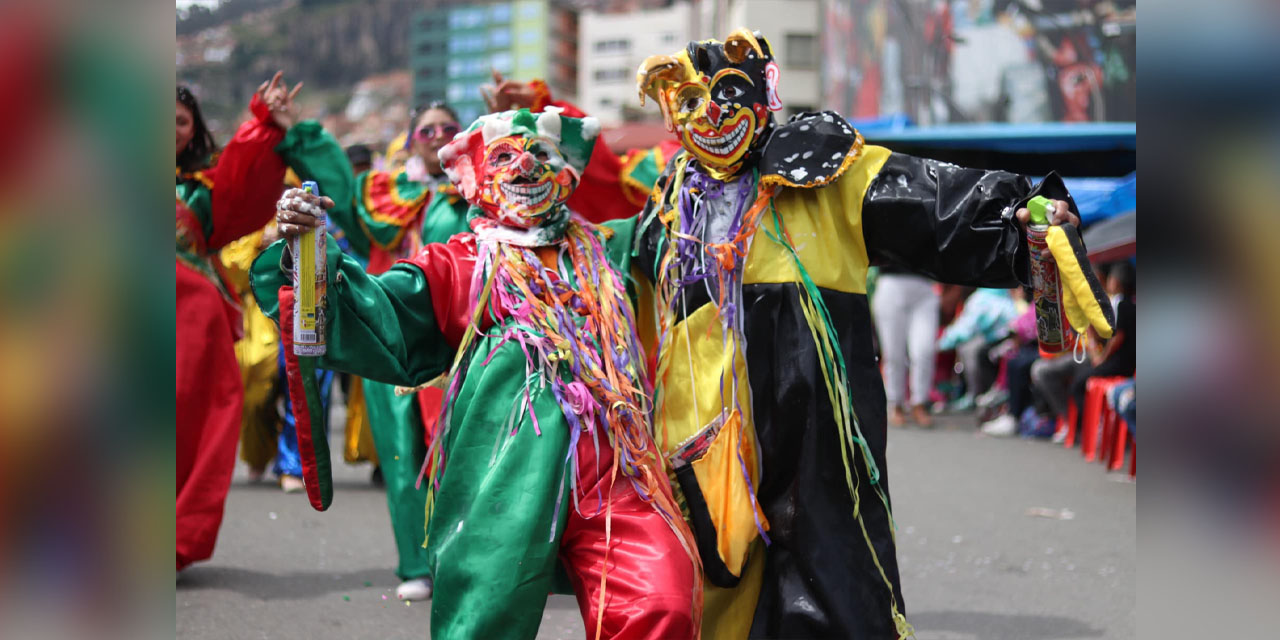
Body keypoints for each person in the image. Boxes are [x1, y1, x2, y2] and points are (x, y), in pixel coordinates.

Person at [633, 29, 1084, 638]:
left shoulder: (823, 170)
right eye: (688, 100)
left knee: (833, 584)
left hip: (813, 434)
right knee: (712, 589)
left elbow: (928, 199)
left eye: (728, 93)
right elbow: (619, 278)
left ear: (764, 94)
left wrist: (1018, 215)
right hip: (702, 440)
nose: (710, 114)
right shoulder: (670, 202)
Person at [257, 108, 700, 640]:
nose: (526, 168)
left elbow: (688, 221)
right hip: (501, 474)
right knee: (481, 625)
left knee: (664, 601)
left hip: (617, 474)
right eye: (506, 157)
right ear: (480, 180)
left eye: (541, 155)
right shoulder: (461, 262)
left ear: (569, 173)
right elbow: (381, 312)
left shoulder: (611, 247)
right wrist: (308, 257)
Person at [276, 101, 471, 601]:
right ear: (410, 140)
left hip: (459, 344)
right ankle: (415, 562)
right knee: (401, 454)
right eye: (426, 128)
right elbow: (336, 184)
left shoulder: (481, 193)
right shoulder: (382, 196)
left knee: (459, 451)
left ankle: (465, 559)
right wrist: (298, 131)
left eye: (449, 127)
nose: (436, 135)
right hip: (392, 337)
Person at [176, 72, 302, 571]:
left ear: (193, 130)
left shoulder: (204, 187)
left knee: (184, 424)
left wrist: (266, 123)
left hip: (189, 322)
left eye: (180, 121)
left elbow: (245, 180)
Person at [872, 267, 941, 426]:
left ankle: (920, 403)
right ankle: (895, 404)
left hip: (924, 284)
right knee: (894, 354)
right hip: (891, 282)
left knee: (924, 350)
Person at [936, 287, 1019, 411]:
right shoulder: (1003, 293)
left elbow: (965, 330)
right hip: (1009, 339)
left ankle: (975, 394)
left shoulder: (981, 298)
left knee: (968, 348)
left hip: (1005, 341)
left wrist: (940, 344)